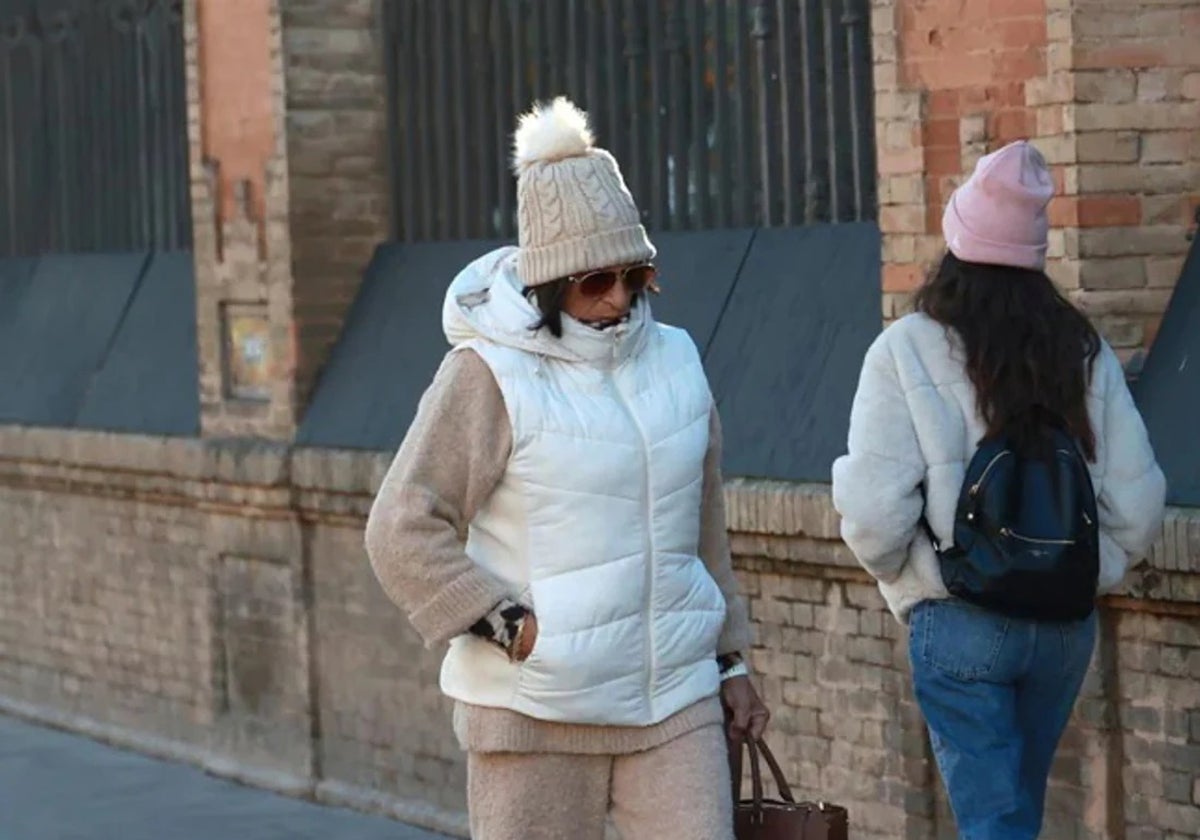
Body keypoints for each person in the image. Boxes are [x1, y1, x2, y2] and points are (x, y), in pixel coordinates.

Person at [364, 96, 767, 840]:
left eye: (635, 274)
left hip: (674, 703)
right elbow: (400, 527)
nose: (617, 296)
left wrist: (731, 661)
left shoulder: (676, 358)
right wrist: (510, 627)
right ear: (550, 283)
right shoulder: (487, 374)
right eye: (592, 281)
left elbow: (702, 526)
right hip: (537, 712)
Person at [831, 140, 1166, 839]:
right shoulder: (1079, 348)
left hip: (959, 619)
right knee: (1017, 817)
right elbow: (1136, 506)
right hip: (1063, 629)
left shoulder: (906, 349)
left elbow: (871, 513)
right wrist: (1083, 575)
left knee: (996, 825)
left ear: (956, 244)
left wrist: (921, 584)